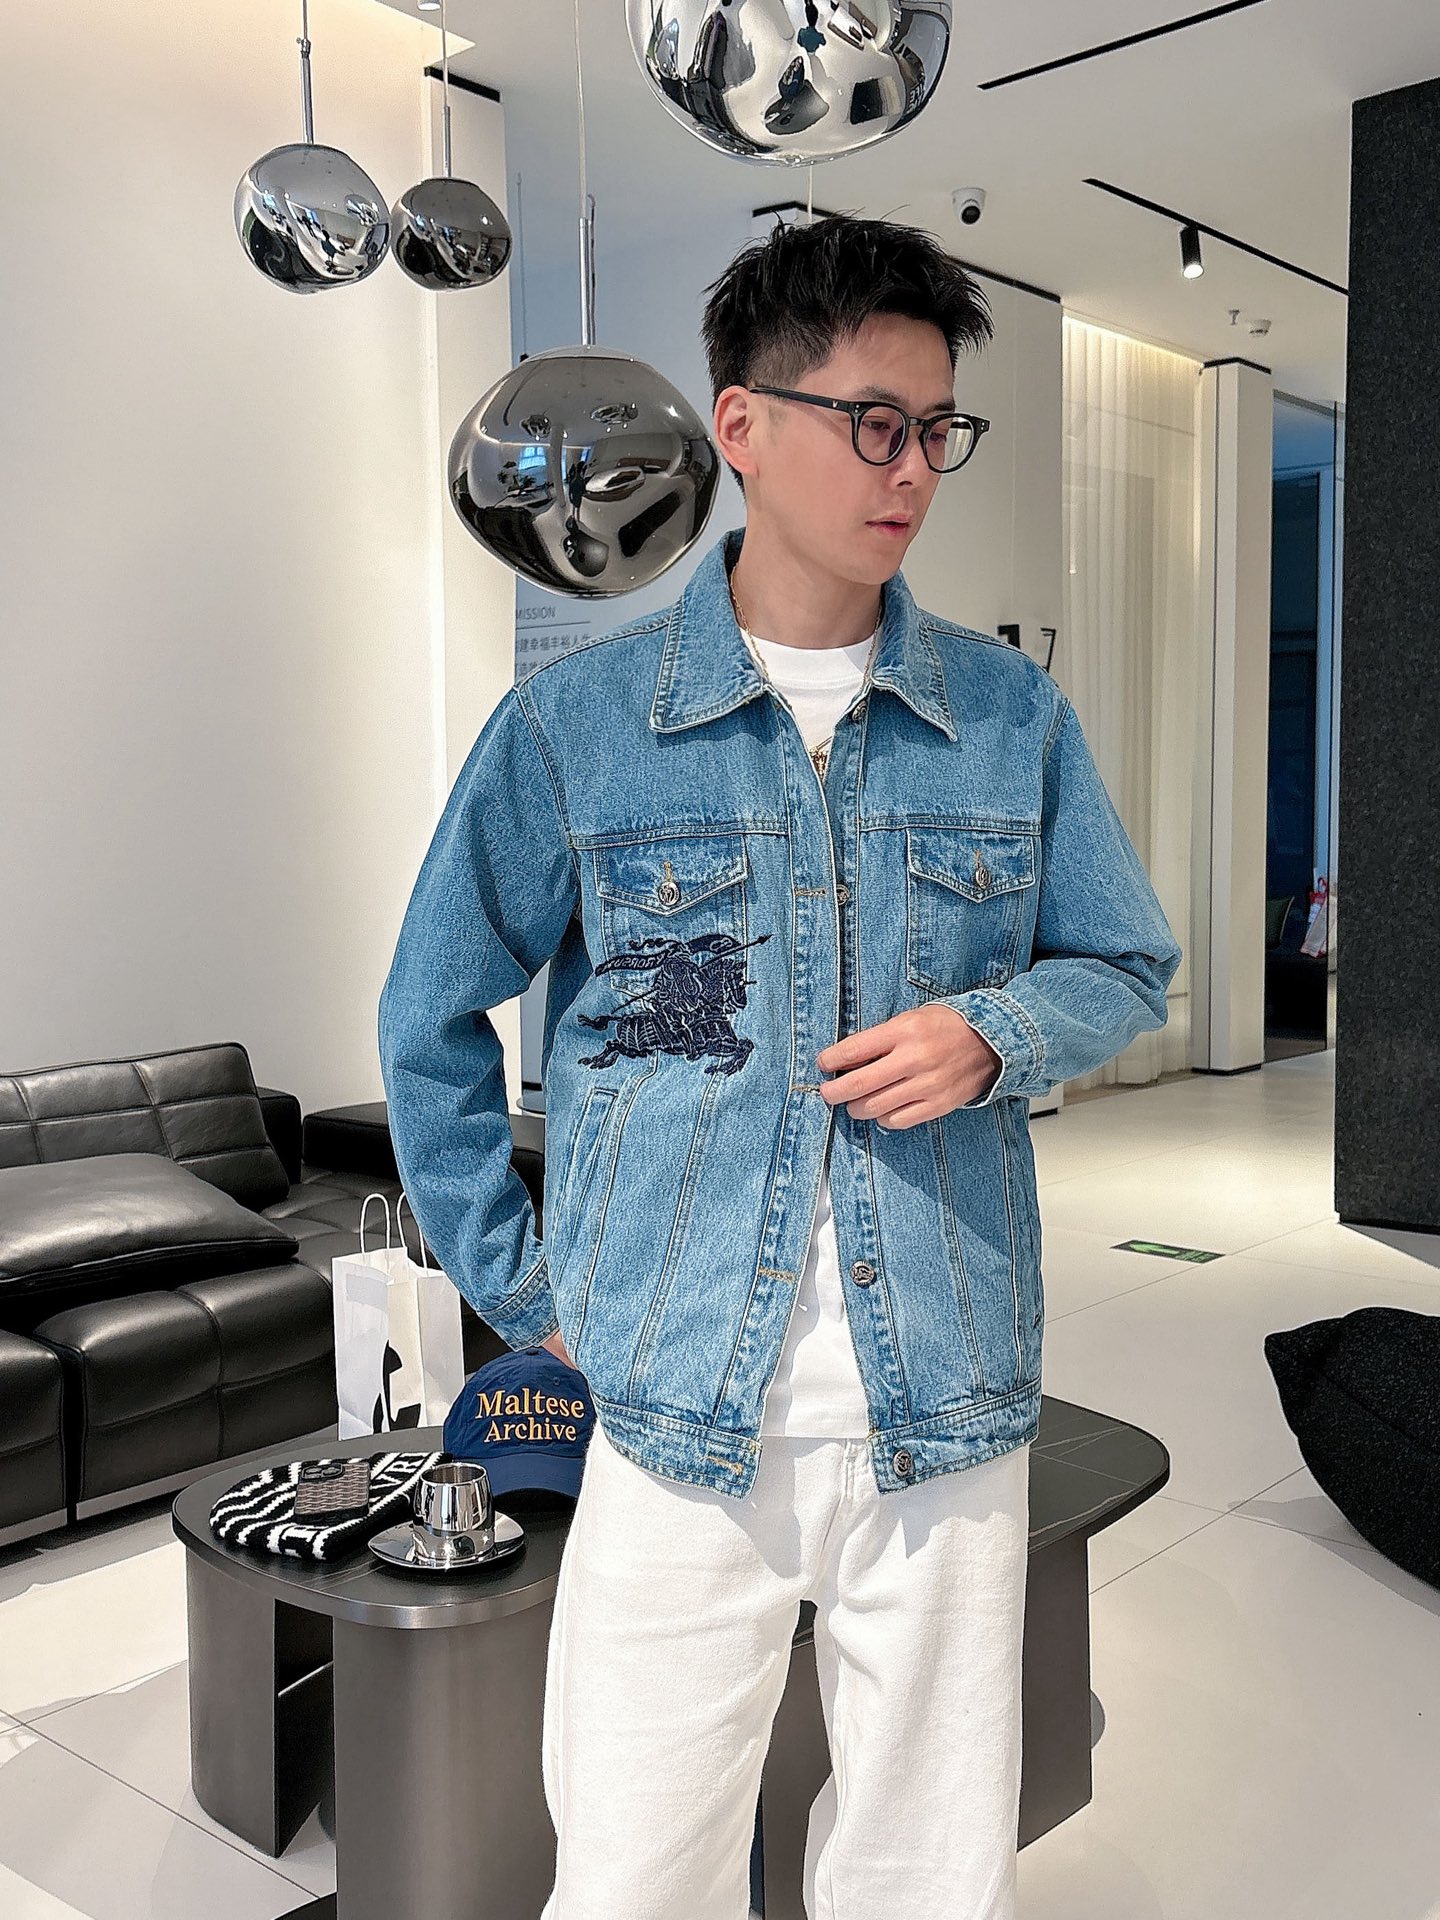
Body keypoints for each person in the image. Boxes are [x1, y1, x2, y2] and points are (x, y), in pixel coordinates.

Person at [378, 213, 1183, 1920]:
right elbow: (428, 1020)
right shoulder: (579, 729)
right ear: (741, 426)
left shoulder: (1010, 719)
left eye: (938, 430)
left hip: (943, 1386)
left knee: (927, 1872)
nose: (912, 470)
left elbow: (1127, 963)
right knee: (635, 1867)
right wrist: (528, 1287)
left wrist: (994, 1032)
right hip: (674, 1394)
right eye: (872, 422)